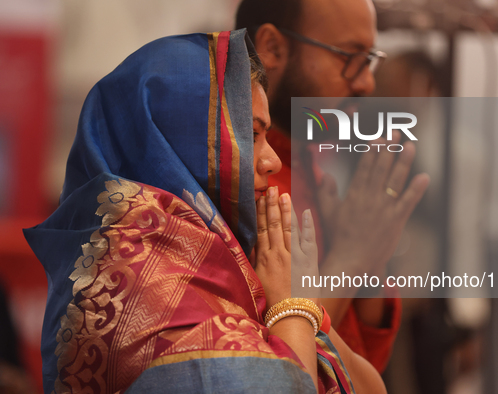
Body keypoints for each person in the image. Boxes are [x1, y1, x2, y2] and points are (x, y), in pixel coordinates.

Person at [24, 30, 386, 393]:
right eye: (250, 136)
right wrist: (293, 307)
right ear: (178, 143)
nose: (272, 160)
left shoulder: (238, 265)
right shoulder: (142, 282)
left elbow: (372, 386)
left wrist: (298, 300)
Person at [235, 0, 430, 372]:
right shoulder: (237, 180)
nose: (367, 82)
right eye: (350, 57)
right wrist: (351, 259)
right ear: (273, 48)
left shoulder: (310, 162)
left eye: (370, 59)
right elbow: (271, 366)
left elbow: (360, 365)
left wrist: (369, 257)